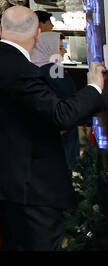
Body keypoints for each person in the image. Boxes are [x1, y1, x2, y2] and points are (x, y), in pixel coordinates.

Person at [0, 6, 105, 251]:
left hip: (4, 180)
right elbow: (60, 116)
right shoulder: (21, 70)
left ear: (0, 30)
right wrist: (94, 87)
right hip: (31, 186)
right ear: (38, 33)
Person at [32, 10, 78, 168]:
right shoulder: (54, 71)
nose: (64, 51)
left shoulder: (36, 68)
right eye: (59, 48)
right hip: (59, 137)